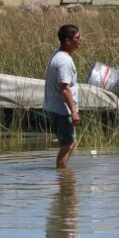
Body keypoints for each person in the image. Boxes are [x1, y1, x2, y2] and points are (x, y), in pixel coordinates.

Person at [43, 24, 83, 169]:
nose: (80, 40)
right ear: (68, 41)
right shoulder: (64, 61)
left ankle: (63, 176)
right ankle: (63, 181)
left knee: (70, 142)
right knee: (68, 144)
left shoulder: (58, 54)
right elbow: (64, 88)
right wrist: (73, 112)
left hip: (55, 107)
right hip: (60, 110)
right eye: (77, 38)